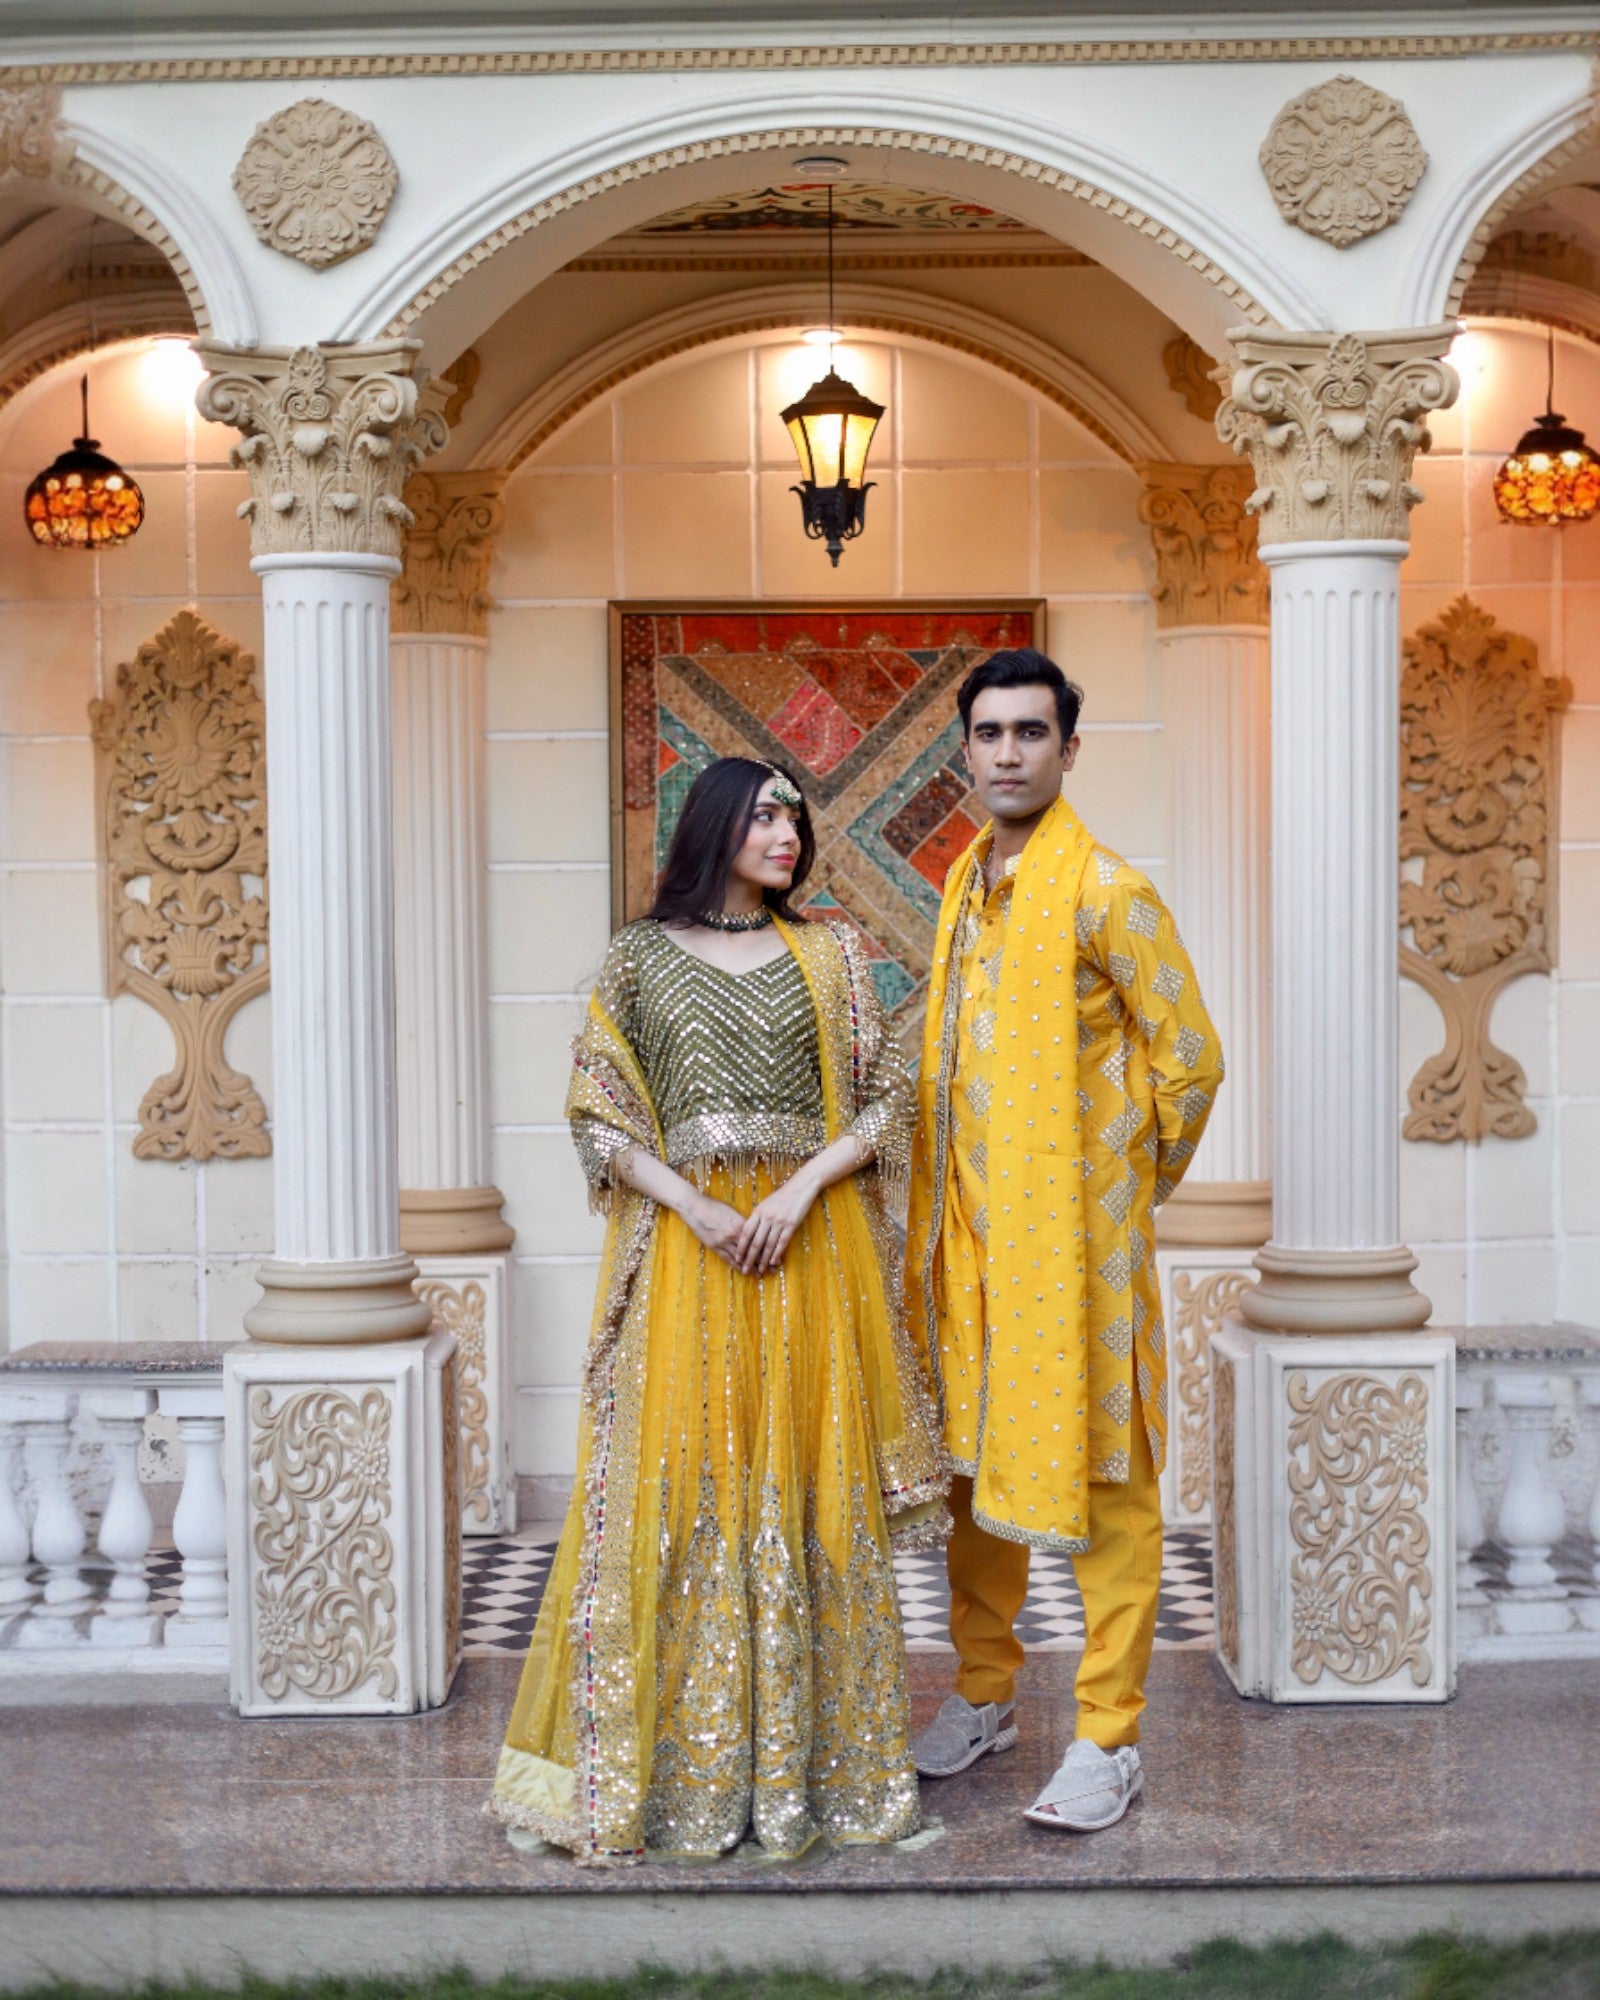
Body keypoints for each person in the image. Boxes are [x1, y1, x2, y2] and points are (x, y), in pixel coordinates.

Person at [488, 756, 949, 1867]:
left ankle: (823, 1778)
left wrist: (796, 1189)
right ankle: (678, 1779)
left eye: (796, 814)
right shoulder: (640, 959)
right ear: (714, 826)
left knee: (807, 1482)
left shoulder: (832, 952)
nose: (787, 831)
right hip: (695, 1253)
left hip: (811, 1244)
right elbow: (596, 1110)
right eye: (763, 813)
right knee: (685, 1489)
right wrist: (693, 1202)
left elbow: (891, 1096)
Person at [902, 648, 1224, 1833]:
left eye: (1029, 733)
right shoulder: (962, 886)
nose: (1006, 752)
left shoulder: (1107, 892)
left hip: (1075, 1254)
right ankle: (984, 1691)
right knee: (972, 1482)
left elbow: (1190, 1059)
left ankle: (1106, 1731)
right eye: (987, 733)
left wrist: (1120, 1193)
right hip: (969, 1249)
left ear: (1068, 749)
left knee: (1105, 1485)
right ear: (963, 751)